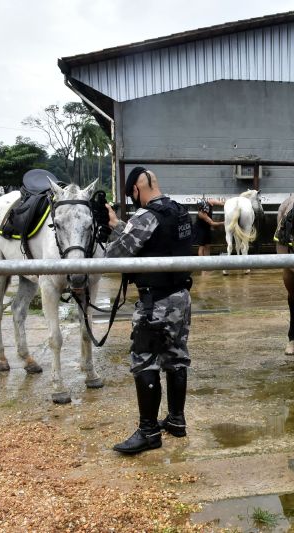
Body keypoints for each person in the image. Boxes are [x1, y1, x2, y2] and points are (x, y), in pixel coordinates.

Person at [104, 166, 195, 454]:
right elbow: (158, 245)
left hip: (154, 302)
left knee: (145, 360)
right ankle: (177, 421)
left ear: (136, 190)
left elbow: (115, 254)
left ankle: (148, 432)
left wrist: (114, 229)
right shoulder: (180, 212)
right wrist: (121, 225)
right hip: (180, 296)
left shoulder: (145, 216)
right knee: (177, 356)